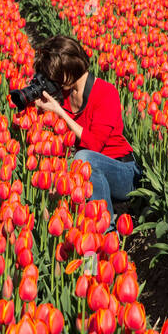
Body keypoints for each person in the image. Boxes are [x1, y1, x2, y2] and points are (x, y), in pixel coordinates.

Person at [31, 35, 139, 225]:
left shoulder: (106, 93)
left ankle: (106, 232)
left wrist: (59, 112)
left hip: (122, 171)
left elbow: (94, 145)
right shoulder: (63, 94)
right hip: (86, 173)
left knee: (84, 160)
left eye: (56, 75)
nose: (54, 80)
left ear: (69, 69)